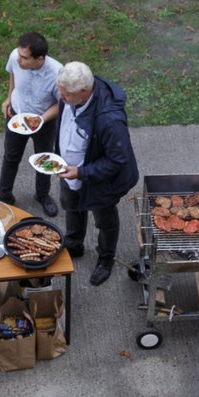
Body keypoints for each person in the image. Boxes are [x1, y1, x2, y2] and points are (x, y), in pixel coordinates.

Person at [53, 61, 140, 287]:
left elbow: (117, 159)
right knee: (71, 206)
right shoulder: (71, 94)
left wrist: (82, 172)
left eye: (65, 95)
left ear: (83, 91)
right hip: (69, 171)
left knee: (105, 220)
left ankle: (105, 258)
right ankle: (74, 244)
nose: (60, 98)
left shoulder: (109, 120)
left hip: (101, 180)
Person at [0, 31, 63, 216]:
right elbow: (12, 75)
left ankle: (42, 195)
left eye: (24, 58)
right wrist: (9, 97)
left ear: (39, 59)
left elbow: (62, 103)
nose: (19, 60)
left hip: (44, 121)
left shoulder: (58, 73)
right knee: (11, 156)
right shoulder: (15, 57)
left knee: (44, 160)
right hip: (17, 116)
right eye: (19, 55)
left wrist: (40, 119)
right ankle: (5, 196)